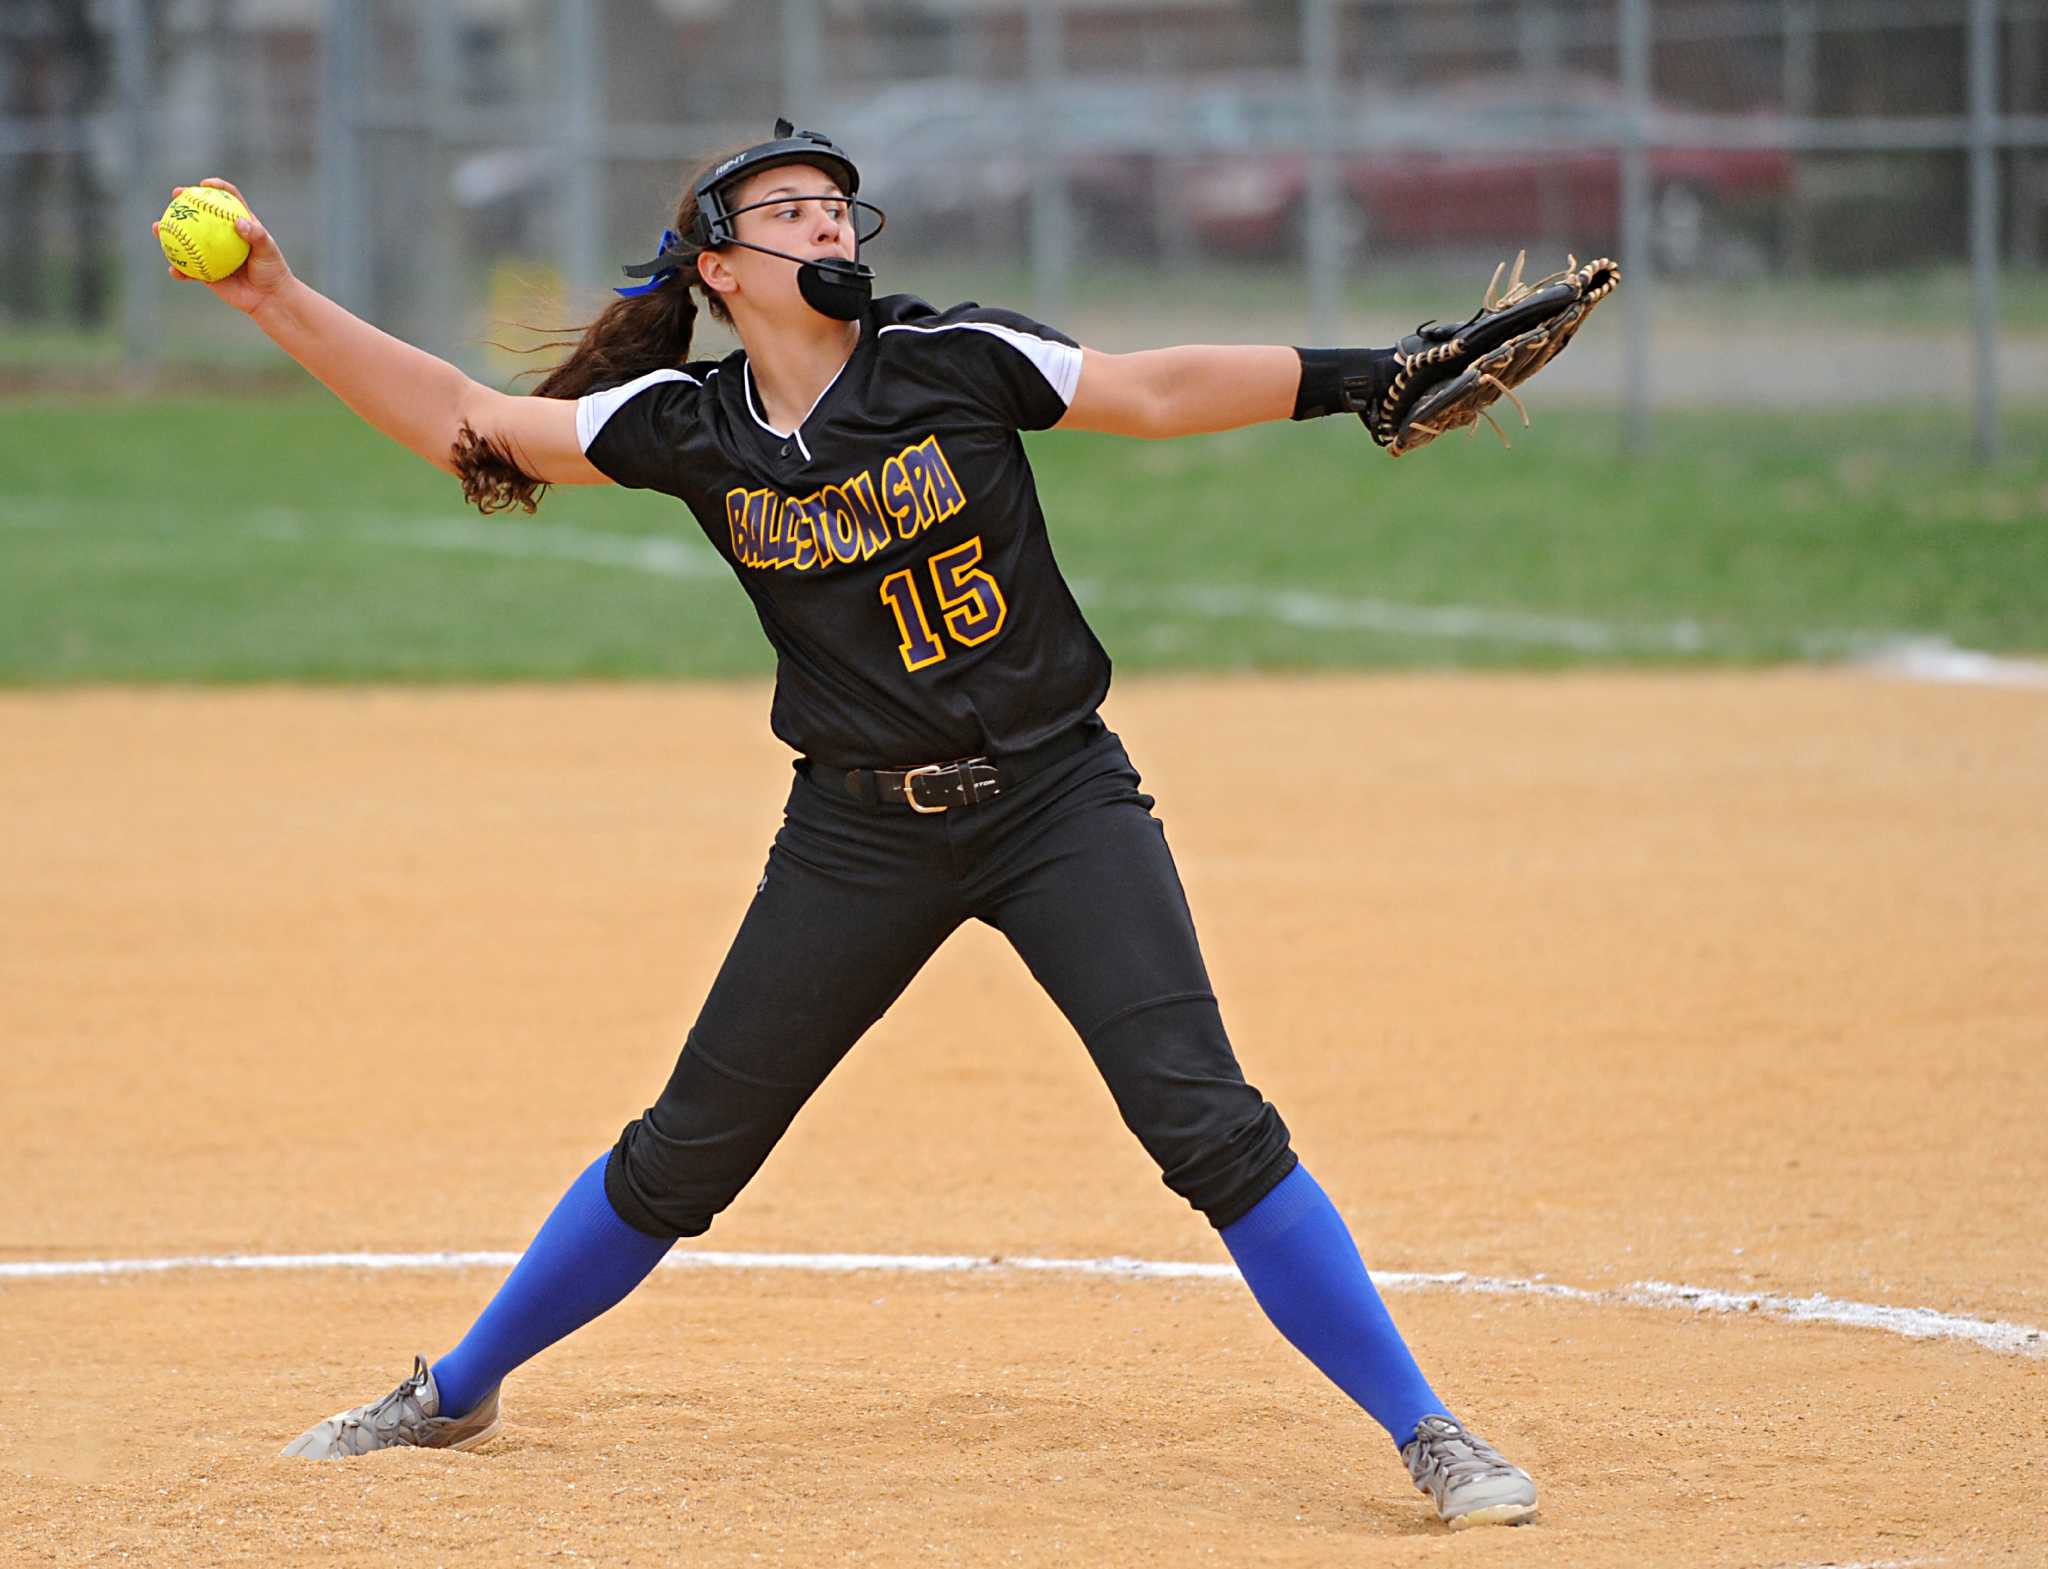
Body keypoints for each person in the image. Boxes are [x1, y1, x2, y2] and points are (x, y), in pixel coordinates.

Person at [165, 120, 1538, 1531]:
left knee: (1209, 1123)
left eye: (840, 207)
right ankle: (458, 1386)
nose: (833, 227)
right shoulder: (687, 426)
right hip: (857, 834)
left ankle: (1427, 1427)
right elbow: (462, 412)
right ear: (720, 265)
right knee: (685, 1151)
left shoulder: (950, 359)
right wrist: (271, 294)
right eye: (793, 211)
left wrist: (1367, 378)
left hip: (1058, 800)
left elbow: (1154, 386)